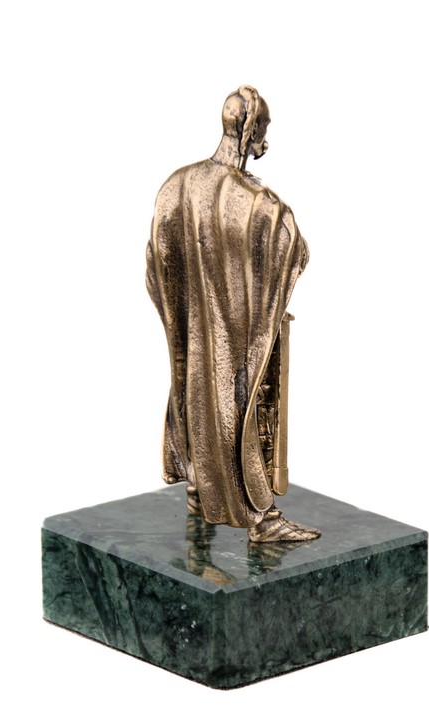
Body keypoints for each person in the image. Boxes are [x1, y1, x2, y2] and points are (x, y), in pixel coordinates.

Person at [146, 86, 319, 543]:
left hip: (193, 327)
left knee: (193, 384)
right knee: (234, 402)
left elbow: (155, 262)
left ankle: (198, 486)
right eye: (263, 131)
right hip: (229, 334)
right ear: (248, 133)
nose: (266, 143)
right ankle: (261, 518)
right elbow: (292, 246)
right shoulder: (258, 203)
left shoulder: (176, 185)